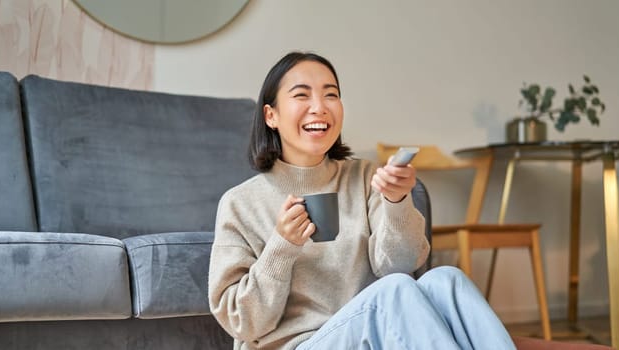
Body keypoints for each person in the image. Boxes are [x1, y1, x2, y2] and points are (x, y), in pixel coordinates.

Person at [208, 51, 516, 350]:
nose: (319, 107)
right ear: (271, 115)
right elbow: (242, 323)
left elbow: (402, 266)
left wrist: (396, 202)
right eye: (302, 95)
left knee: (446, 279)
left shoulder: (366, 178)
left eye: (330, 94)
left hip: (375, 335)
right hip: (300, 345)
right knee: (394, 292)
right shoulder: (240, 203)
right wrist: (281, 247)